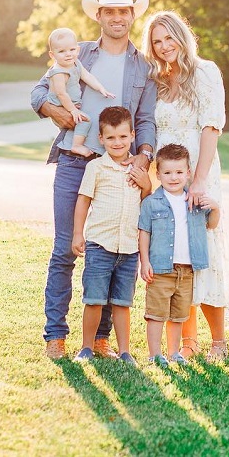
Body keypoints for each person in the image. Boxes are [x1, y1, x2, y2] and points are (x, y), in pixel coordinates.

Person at [32, 0, 158, 361]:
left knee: (113, 250)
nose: (118, 18)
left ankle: (101, 338)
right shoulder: (77, 52)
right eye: (110, 12)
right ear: (99, 16)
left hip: (119, 168)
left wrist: (144, 157)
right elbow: (38, 93)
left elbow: (147, 120)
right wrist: (59, 114)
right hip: (75, 162)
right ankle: (56, 335)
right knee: (64, 249)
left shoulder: (144, 66)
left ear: (132, 16)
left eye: (124, 11)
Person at [141, 10, 229, 362]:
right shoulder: (159, 80)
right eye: (157, 41)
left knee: (204, 251)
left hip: (199, 172)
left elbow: (211, 127)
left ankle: (218, 341)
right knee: (176, 251)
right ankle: (187, 341)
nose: (165, 47)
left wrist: (199, 180)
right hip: (167, 176)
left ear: (183, 36)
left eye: (169, 38)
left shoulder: (206, 72)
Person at [71, 107, 152, 363]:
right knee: (94, 299)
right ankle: (86, 347)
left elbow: (145, 203)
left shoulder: (139, 170)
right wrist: (77, 234)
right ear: (101, 138)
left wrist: (147, 185)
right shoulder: (96, 167)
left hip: (129, 247)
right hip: (99, 244)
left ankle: (125, 351)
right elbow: (83, 200)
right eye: (111, 138)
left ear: (132, 135)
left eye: (122, 137)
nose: (117, 143)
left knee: (122, 302)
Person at [138, 143, 219, 366]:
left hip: (187, 269)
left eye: (179, 172)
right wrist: (144, 262)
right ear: (158, 174)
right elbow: (144, 233)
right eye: (167, 172)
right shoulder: (151, 203)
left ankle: (174, 352)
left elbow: (211, 225)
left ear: (188, 173)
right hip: (161, 268)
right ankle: (155, 354)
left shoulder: (194, 201)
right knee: (156, 314)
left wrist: (216, 208)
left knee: (178, 316)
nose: (173, 177)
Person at [44, 27, 115, 157]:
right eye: (61, 51)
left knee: (79, 124)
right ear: (52, 55)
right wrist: (73, 110)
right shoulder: (58, 72)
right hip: (61, 106)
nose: (68, 54)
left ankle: (76, 141)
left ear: (77, 49)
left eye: (72, 50)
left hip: (71, 105)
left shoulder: (75, 63)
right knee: (86, 120)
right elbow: (61, 94)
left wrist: (101, 88)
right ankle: (76, 146)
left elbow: (87, 76)